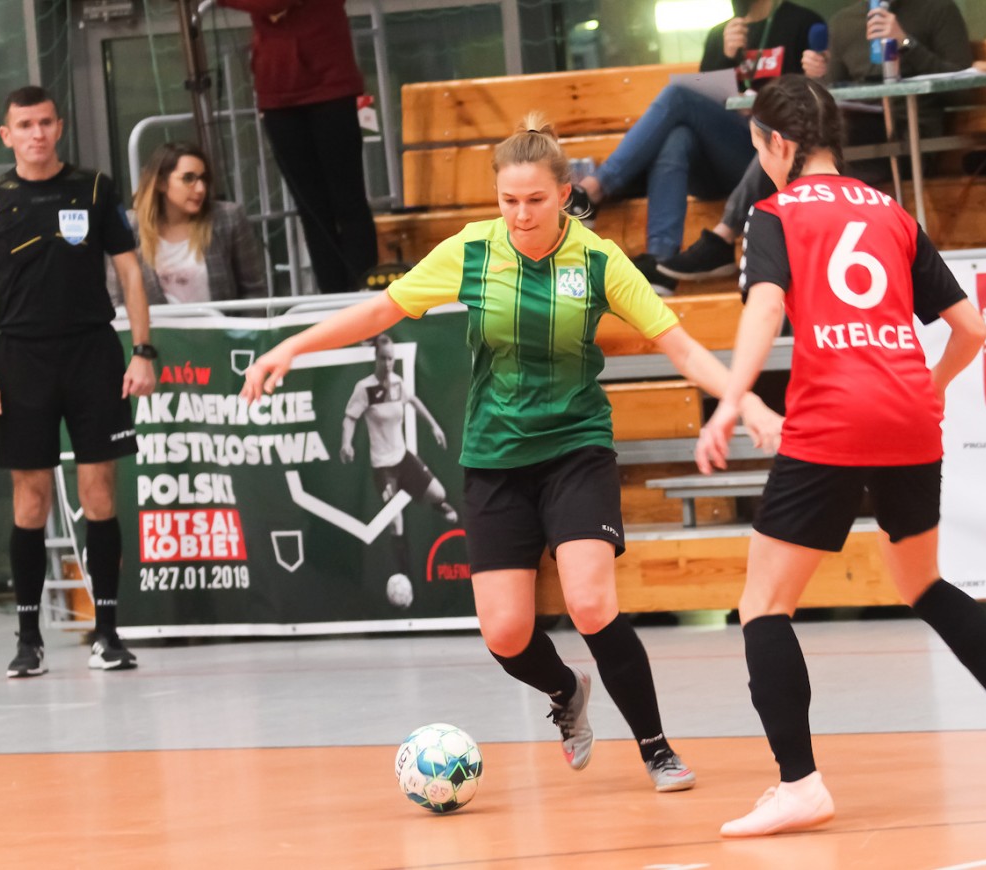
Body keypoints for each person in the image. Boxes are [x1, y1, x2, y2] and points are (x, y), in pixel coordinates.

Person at [243, 113, 783, 791]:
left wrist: (745, 402)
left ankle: (657, 748)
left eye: (535, 200)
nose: (521, 215)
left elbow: (679, 346)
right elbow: (382, 312)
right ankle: (565, 691)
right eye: (508, 201)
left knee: (590, 604)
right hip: (495, 459)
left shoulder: (598, 260)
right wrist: (291, 346)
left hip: (575, 449)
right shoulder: (472, 250)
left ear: (564, 194)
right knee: (504, 633)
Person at [694, 76, 986, 837]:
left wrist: (731, 400)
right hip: (909, 417)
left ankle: (799, 784)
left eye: (758, 147)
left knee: (764, 604)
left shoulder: (774, 214)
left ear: (779, 144)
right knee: (922, 582)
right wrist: (932, 387)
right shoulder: (892, 213)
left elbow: (765, 307)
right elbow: (972, 329)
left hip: (833, 417)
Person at [0, 86, 157, 677]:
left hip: (92, 354)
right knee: (30, 499)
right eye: (25, 124)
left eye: (46, 122)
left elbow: (129, 272)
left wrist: (142, 352)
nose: (37, 133)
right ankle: (28, 640)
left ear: (60, 127)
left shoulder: (96, 188)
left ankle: (107, 633)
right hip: (20, 360)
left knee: (99, 493)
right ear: (6, 135)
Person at [660, 0, 971, 282]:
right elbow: (829, 96)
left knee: (791, 141)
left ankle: (728, 238)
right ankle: (759, 257)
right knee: (786, 137)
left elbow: (963, 86)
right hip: (849, 134)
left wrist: (906, 43)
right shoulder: (845, 21)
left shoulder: (938, 10)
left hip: (910, 133)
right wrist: (820, 77)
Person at [569, 0, 824, 294]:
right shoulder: (720, 34)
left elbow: (811, 107)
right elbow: (706, 94)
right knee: (679, 136)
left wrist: (788, 91)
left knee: (677, 96)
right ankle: (661, 262)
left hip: (763, 160)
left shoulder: (802, 22)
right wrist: (724, 56)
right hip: (718, 160)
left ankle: (596, 189)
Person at [218, 0, 378, 293]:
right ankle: (332, 297)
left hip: (330, 87)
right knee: (311, 209)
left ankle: (363, 292)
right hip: (277, 93)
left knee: (348, 201)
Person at [341, 334, 458, 602]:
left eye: (391, 358)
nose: (388, 363)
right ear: (376, 359)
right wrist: (346, 443)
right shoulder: (364, 388)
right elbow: (349, 418)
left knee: (439, 494)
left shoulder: (397, 383)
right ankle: (404, 577)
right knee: (396, 521)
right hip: (384, 467)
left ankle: (437, 505)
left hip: (403, 458)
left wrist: (434, 426)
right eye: (383, 358)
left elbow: (413, 401)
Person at [112, 142, 268, 305]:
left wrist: (239, 323)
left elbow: (255, 291)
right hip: (156, 322)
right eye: (188, 178)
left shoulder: (228, 218)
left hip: (219, 321)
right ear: (161, 182)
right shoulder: (129, 226)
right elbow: (116, 300)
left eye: (203, 179)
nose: (200, 188)